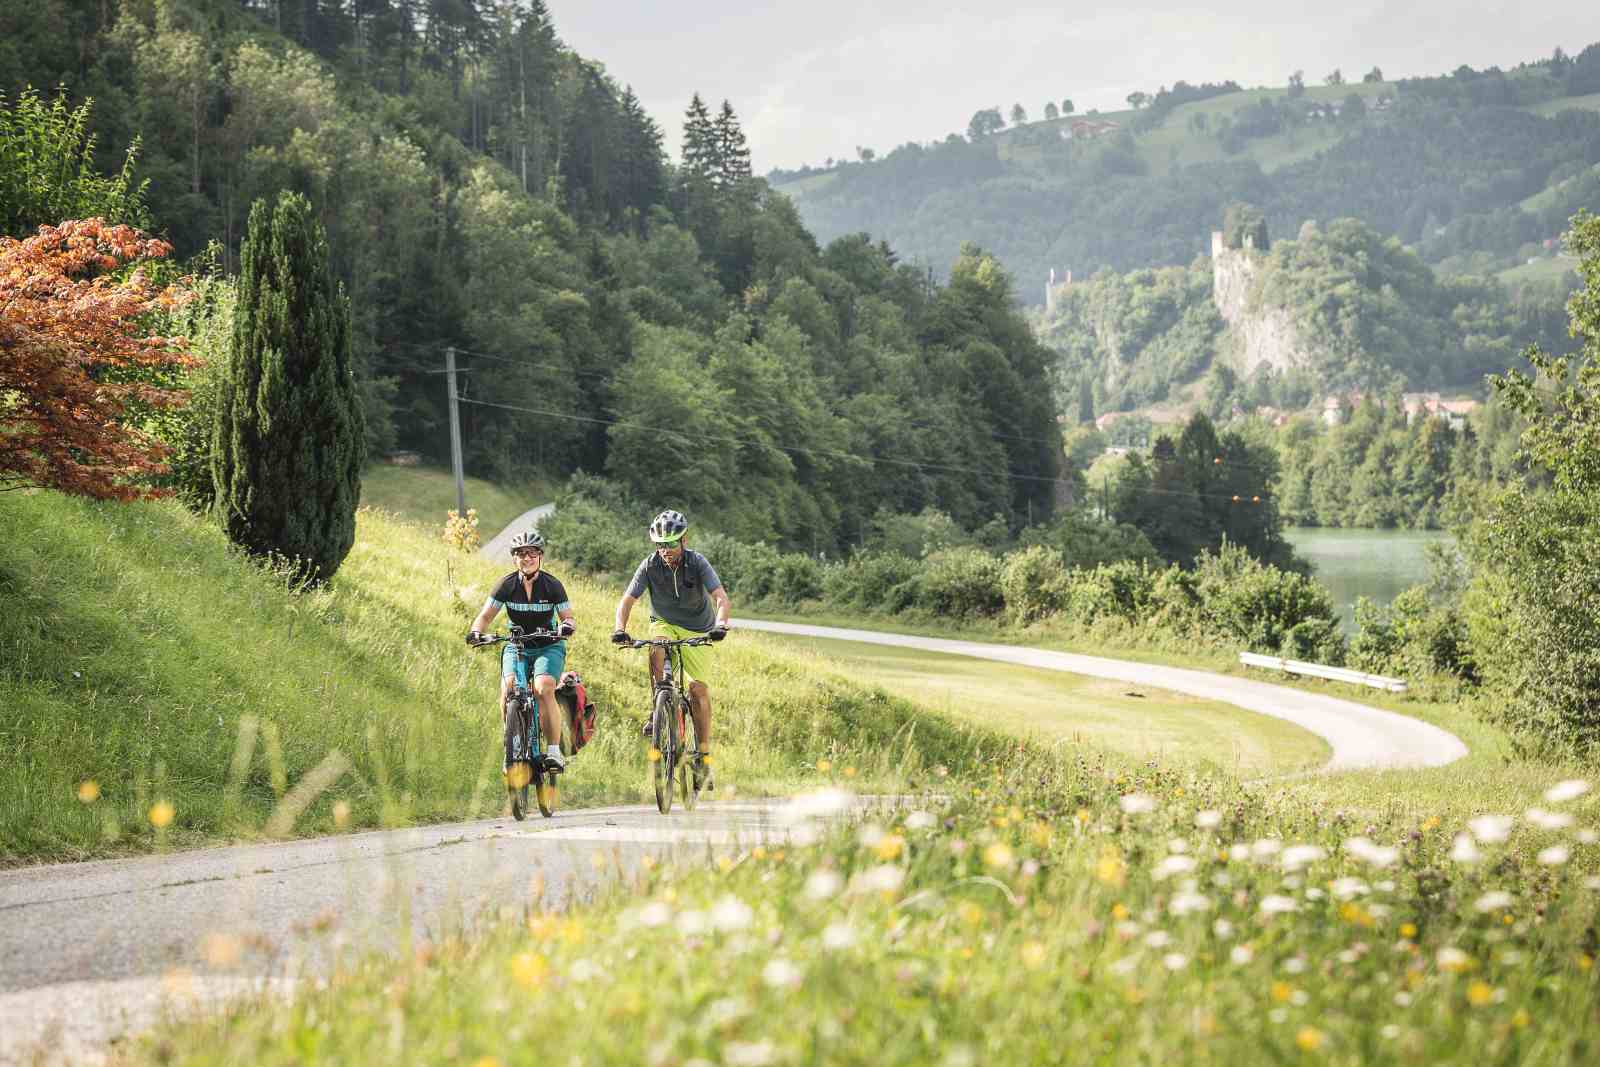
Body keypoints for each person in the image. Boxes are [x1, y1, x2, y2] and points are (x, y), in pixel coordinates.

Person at [611, 509, 730, 788]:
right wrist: (620, 628)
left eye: (671, 543)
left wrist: (721, 625)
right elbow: (627, 600)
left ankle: (703, 756)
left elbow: (721, 598)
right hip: (664, 623)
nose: (665, 550)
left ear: (683, 540)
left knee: (697, 691)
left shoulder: (697, 563)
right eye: (660, 544)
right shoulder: (649, 566)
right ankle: (660, 705)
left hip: (699, 629)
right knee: (657, 646)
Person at [467, 530, 576, 770]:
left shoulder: (552, 586)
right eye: (520, 554)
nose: (526, 558)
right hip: (517, 646)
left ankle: (554, 751)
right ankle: (511, 748)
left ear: (540, 557)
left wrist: (566, 627)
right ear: (514, 558)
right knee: (508, 689)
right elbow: (484, 616)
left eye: (532, 553)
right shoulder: (506, 585)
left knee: (543, 687)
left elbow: (567, 617)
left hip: (548, 646)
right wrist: (476, 632)